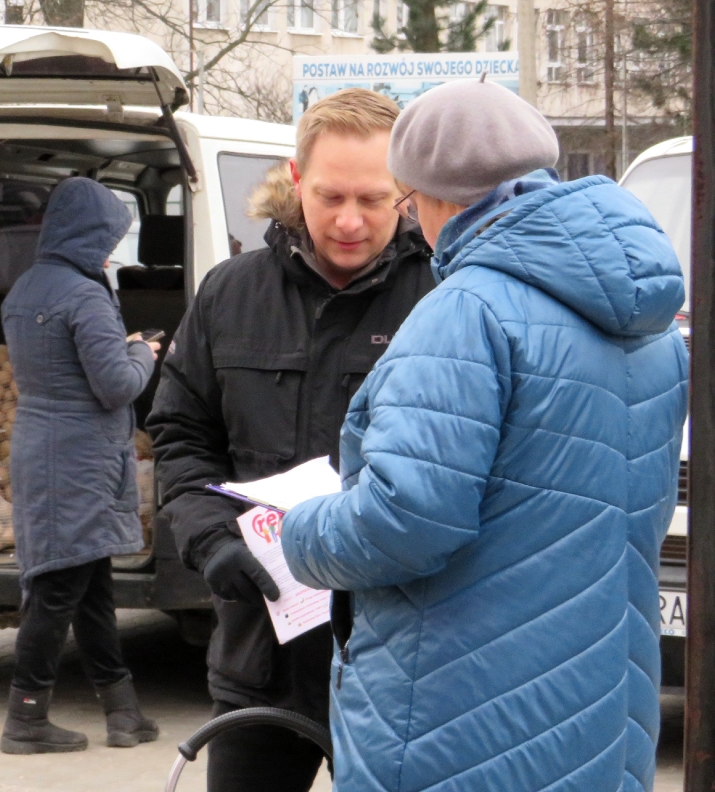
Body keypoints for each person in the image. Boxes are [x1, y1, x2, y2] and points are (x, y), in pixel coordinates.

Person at [281, 79, 689, 792]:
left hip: (459, 722)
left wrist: (298, 530)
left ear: (435, 198)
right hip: (602, 710)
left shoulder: (466, 312)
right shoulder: (653, 330)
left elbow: (407, 520)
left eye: (406, 202)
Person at [146, 88, 434, 792]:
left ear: (406, 193)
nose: (349, 220)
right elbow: (181, 435)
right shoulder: (229, 293)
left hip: (405, 667)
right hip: (260, 658)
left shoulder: (444, 298)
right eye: (330, 196)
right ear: (296, 179)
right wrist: (212, 541)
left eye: (373, 200)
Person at [0, 177, 160, 755]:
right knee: (56, 590)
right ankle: (25, 720)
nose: (110, 253)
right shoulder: (85, 296)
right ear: (87, 235)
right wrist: (141, 352)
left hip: (39, 447)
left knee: (90, 587)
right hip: (80, 459)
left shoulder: (23, 288)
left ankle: (124, 714)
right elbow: (116, 385)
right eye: (107, 240)